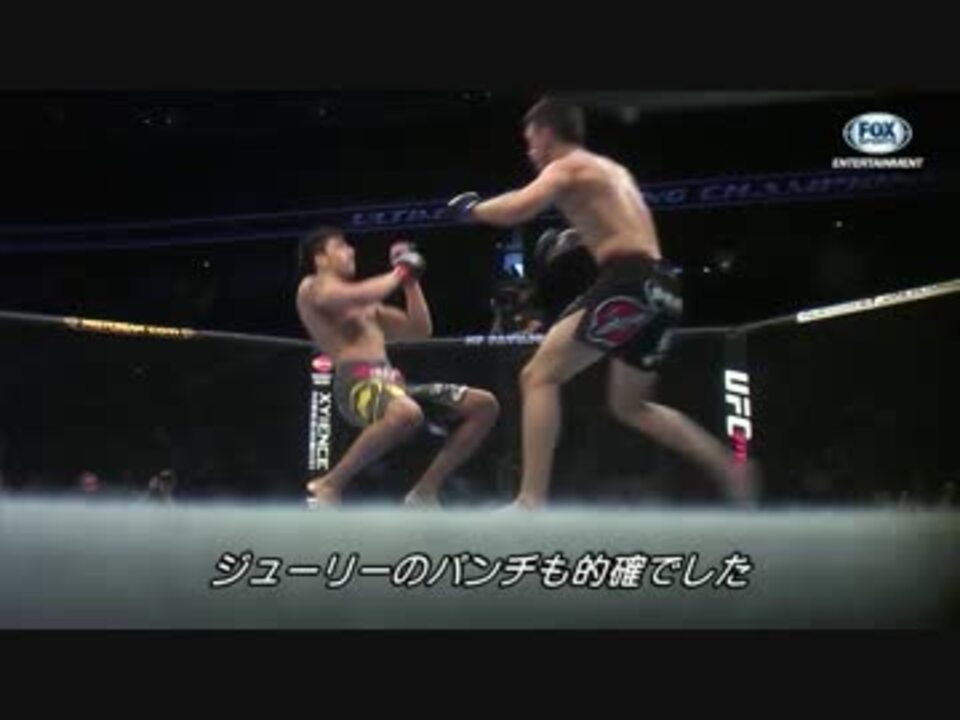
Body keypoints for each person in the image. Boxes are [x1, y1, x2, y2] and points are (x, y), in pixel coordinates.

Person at [446, 97, 758, 509]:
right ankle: (730, 466)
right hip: (663, 287)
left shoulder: (565, 166)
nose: (530, 151)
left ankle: (530, 501)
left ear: (546, 133)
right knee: (631, 406)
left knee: (538, 376)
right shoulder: (613, 171)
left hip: (628, 281)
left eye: (530, 140)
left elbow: (519, 207)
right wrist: (578, 236)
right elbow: (623, 224)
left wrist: (472, 211)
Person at [296, 227, 500, 507]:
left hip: (393, 385)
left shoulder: (368, 306)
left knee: (483, 405)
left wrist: (410, 283)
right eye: (340, 246)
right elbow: (352, 296)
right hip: (356, 384)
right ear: (320, 258)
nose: (351, 251)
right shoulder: (311, 288)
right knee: (406, 412)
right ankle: (329, 483)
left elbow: (419, 330)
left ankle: (424, 491)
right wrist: (400, 271)